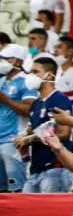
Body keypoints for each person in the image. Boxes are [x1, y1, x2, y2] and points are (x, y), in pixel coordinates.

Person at [19, 56, 73, 192]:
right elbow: (31, 130)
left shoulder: (60, 99)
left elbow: (64, 133)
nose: (30, 76)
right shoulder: (36, 104)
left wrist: (30, 138)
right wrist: (22, 138)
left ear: (49, 75)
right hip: (36, 168)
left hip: (55, 168)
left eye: (35, 72)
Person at [0, 45, 33, 191]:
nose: (2, 61)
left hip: (13, 140)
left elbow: (29, 109)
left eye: (6, 59)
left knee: (15, 184)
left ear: (18, 61)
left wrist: (5, 99)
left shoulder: (26, 81)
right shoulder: (1, 80)